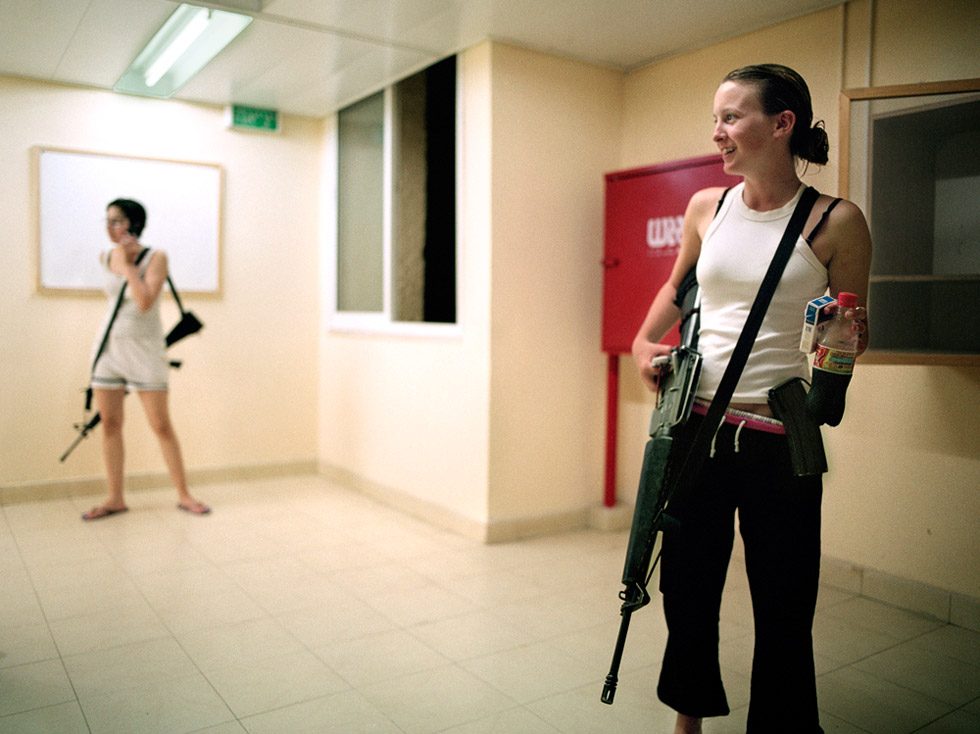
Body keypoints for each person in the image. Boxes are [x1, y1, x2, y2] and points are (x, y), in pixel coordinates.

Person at [630, 65, 871, 733]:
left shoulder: (836, 221)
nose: (719, 132)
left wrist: (842, 343)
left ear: (781, 123)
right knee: (688, 588)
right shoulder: (708, 206)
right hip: (696, 430)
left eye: (733, 117)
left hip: (777, 440)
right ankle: (689, 719)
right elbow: (679, 291)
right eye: (718, 118)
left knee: (785, 601)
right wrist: (644, 344)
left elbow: (845, 333)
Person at [82, 199, 210, 520]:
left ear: (134, 224)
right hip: (108, 349)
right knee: (110, 424)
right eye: (107, 220)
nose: (110, 227)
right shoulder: (104, 256)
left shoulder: (156, 257)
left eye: (117, 221)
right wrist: (119, 261)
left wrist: (127, 267)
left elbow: (143, 303)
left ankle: (184, 494)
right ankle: (115, 498)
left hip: (146, 350)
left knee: (160, 424)